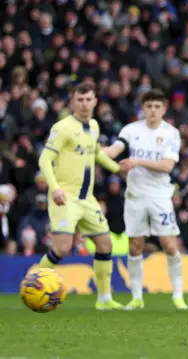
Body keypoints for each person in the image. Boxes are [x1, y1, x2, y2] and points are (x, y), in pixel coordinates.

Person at [37, 83, 126, 311]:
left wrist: (117, 169)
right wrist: (55, 187)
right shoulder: (63, 127)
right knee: (62, 249)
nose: (85, 104)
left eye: (88, 99)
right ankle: (34, 282)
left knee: (105, 244)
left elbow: (96, 153)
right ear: (72, 102)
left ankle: (104, 299)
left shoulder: (94, 126)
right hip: (64, 196)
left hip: (87, 199)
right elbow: (44, 160)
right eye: (80, 100)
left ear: (95, 101)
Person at [102, 89, 187, 310]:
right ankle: (137, 298)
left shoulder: (171, 133)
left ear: (164, 109)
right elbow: (113, 151)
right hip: (135, 196)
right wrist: (91, 149)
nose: (152, 111)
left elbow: (167, 166)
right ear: (143, 108)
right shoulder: (131, 130)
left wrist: (137, 161)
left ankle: (178, 295)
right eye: (149, 106)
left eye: (157, 107)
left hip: (160, 195)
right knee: (135, 246)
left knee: (169, 244)